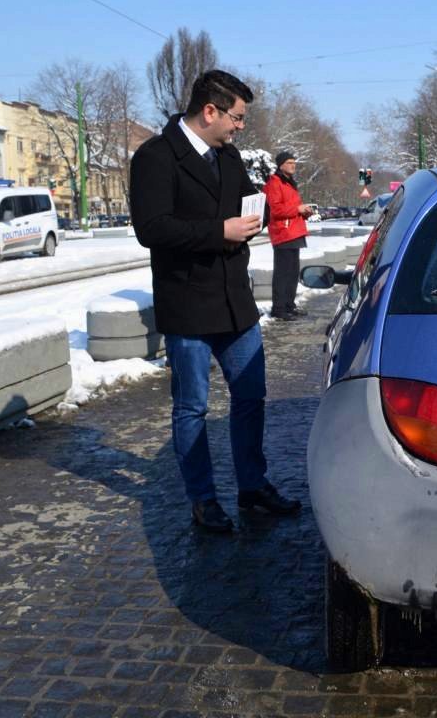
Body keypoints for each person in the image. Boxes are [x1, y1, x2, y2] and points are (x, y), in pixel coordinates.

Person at [129, 69, 301, 533]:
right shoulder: (155, 157)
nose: (240, 127)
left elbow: (244, 205)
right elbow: (152, 229)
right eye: (237, 117)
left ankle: (252, 487)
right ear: (211, 110)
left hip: (236, 304)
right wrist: (218, 232)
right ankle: (202, 499)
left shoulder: (229, 158)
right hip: (187, 307)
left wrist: (255, 217)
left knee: (250, 399)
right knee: (192, 408)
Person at [264, 151, 313, 320]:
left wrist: (304, 211)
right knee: (282, 273)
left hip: (295, 231)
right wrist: (297, 209)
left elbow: (294, 206)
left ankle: (289, 305)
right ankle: (278, 308)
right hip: (283, 233)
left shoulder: (290, 183)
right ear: (281, 165)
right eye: (289, 162)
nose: (293, 165)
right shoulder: (274, 183)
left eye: (294, 162)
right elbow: (274, 210)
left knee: (293, 272)